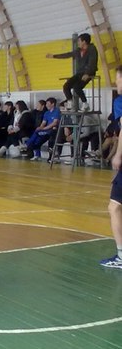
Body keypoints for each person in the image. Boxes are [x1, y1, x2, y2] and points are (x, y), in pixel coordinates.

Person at [101, 65, 122, 269]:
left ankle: (121, 257)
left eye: (117, 78)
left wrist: (118, 155)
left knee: (114, 206)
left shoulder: (120, 101)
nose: (116, 82)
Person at [46, 33, 98, 111]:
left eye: (79, 41)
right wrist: (54, 56)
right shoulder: (78, 50)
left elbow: (92, 62)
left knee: (77, 87)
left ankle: (85, 104)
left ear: (84, 42)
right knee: (66, 86)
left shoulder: (92, 49)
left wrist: (87, 73)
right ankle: (70, 102)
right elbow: (68, 54)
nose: (78, 43)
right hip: (80, 73)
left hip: (89, 72)